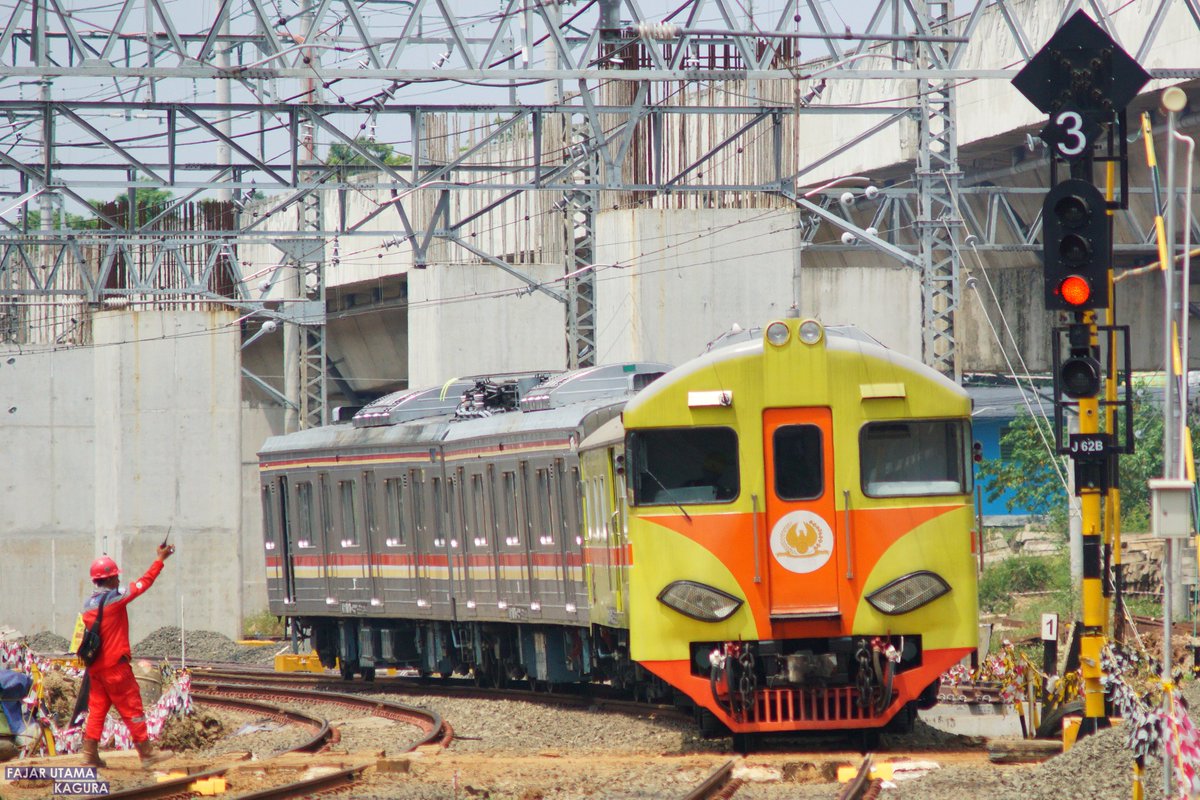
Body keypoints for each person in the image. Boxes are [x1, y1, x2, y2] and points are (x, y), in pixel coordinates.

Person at [78, 543, 175, 769]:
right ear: (109, 579)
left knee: (97, 711)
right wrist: (160, 559)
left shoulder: (87, 606)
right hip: (116, 668)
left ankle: (89, 755)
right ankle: (146, 754)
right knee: (133, 709)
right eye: (115, 577)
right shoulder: (115, 599)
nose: (118, 581)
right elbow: (144, 583)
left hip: (96, 670)